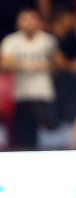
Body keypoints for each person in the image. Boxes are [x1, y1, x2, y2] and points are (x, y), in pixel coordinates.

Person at [0, 9, 58, 150]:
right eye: (25, 20)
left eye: (32, 19)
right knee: (25, 136)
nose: (29, 23)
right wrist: (30, 66)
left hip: (44, 93)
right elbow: (4, 63)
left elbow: (58, 63)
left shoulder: (48, 40)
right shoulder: (11, 41)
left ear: (38, 22)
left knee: (46, 135)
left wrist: (21, 65)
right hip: (21, 93)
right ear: (18, 23)